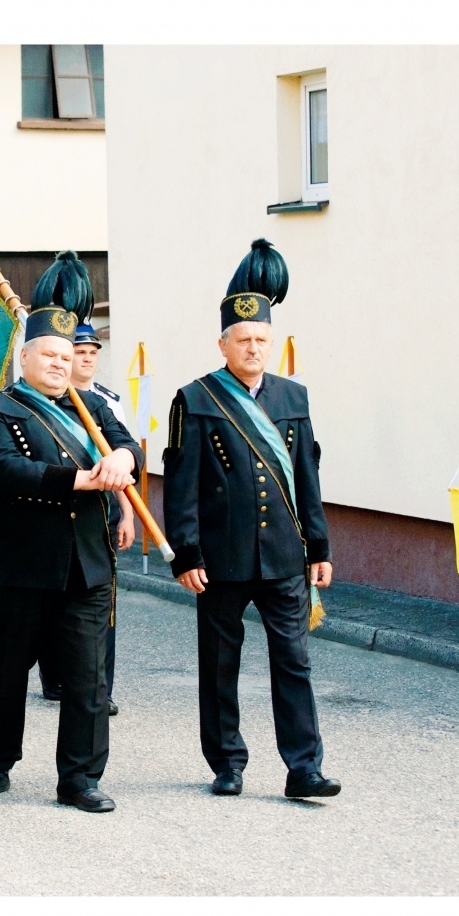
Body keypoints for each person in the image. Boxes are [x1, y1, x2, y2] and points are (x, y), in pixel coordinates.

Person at [162, 237, 340, 801]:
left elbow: (307, 479)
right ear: (223, 344)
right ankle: (227, 763)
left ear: (273, 342)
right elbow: (182, 485)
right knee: (220, 665)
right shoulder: (195, 399)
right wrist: (186, 554)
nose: (253, 348)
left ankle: (304, 768)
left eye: (262, 339)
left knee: (294, 662)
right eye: (243, 340)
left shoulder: (294, 398)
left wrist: (319, 548)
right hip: (220, 559)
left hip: (284, 557)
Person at [0, 296, 142, 814]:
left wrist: (122, 458)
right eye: (48, 355)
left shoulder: (94, 408)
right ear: (25, 357)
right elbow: (3, 468)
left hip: (86, 563)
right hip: (21, 566)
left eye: (66, 357)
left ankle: (80, 778)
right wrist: (81, 480)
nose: (59, 364)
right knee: (5, 671)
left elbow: (129, 445)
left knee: (89, 677)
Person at [57, 317, 135, 716]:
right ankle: (57, 676)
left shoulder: (107, 403)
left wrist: (128, 515)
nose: (87, 360)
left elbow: (123, 460)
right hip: (58, 510)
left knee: (103, 608)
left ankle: (102, 688)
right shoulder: (49, 401)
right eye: (79, 352)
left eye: (92, 353)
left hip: (99, 513)